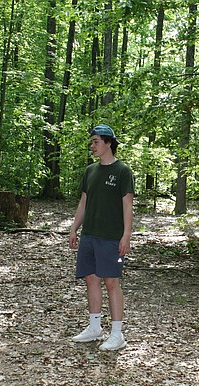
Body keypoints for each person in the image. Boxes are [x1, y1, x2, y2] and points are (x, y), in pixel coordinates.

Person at [69, 124, 134, 351]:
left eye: (96, 141)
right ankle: (94, 327)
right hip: (90, 235)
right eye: (92, 142)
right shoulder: (90, 171)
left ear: (108, 143)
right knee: (91, 279)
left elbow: (128, 206)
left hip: (111, 237)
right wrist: (74, 228)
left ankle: (117, 334)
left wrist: (126, 235)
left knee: (111, 282)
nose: (93, 146)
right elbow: (83, 202)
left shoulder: (122, 171)